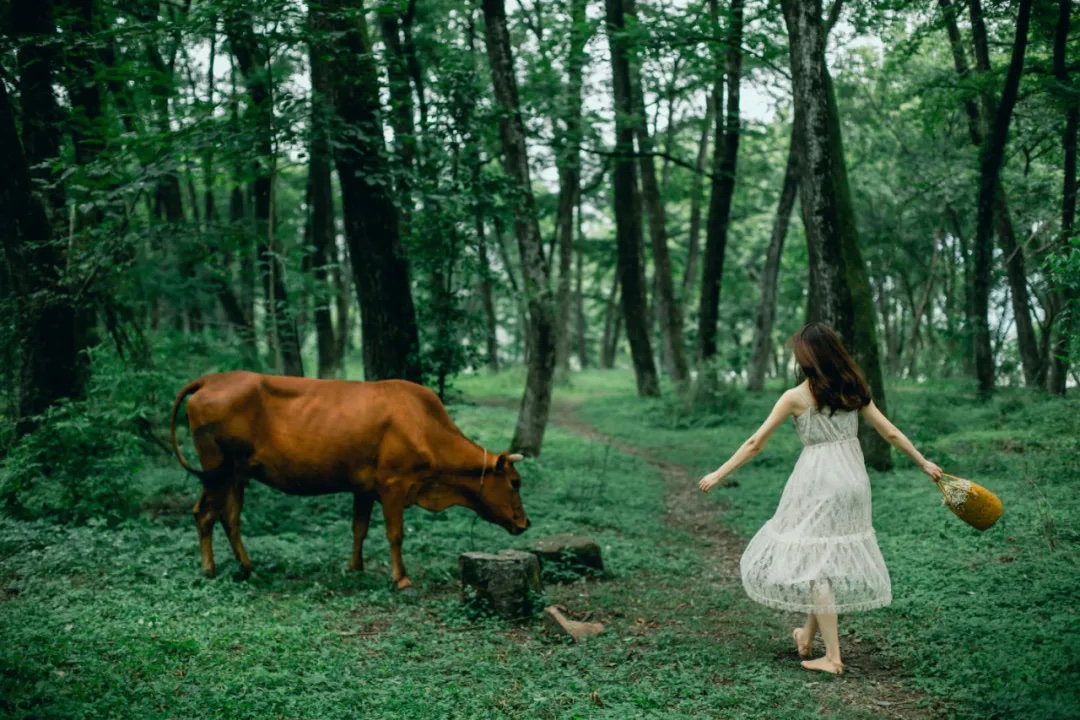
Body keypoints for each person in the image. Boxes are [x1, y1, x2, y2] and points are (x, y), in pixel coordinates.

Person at [698, 323, 942, 674]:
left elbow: (755, 443)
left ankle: (833, 657)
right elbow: (888, 430)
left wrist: (718, 474)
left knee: (816, 565)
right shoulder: (854, 388)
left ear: (809, 357)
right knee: (822, 556)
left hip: (818, 481)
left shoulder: (796, 396)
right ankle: (805, 635)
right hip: (854, 480)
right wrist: (922, 461)